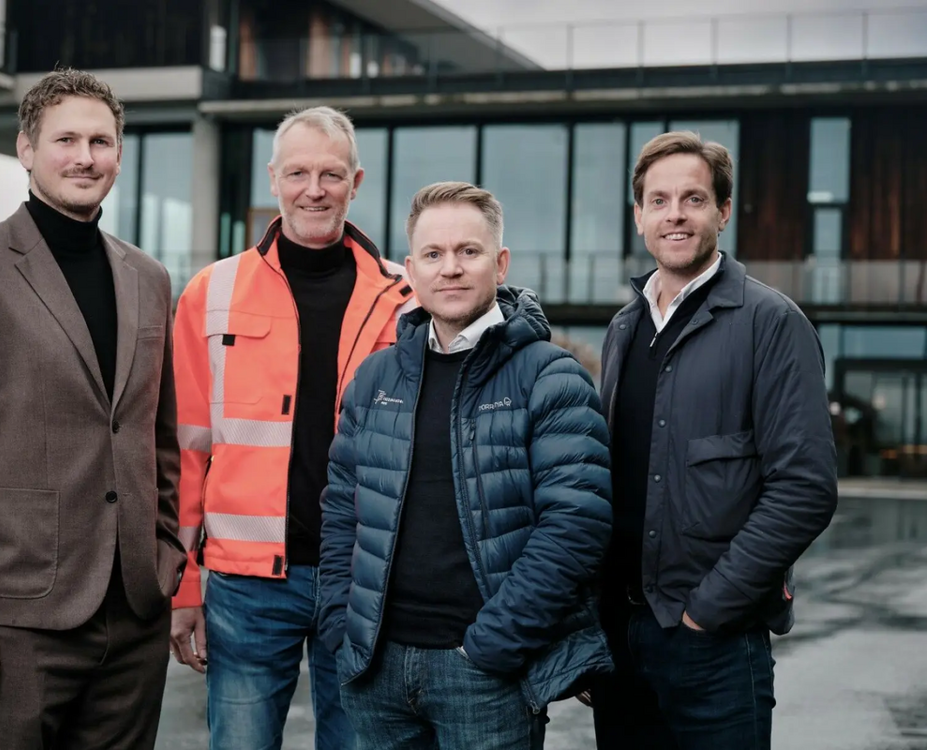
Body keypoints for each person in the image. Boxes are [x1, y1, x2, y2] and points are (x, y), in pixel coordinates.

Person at [0, 68, 184, 749]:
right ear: (26, 150)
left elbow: (158, 434)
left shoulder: (148, 277)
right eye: (65, 140)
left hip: (133, 614)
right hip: (16, 621)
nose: (85, 157)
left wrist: (165, 555)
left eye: (101, 141)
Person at [319, 181, 615, 749]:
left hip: (482, 673)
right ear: (411, 268)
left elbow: (576, 526)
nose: (449, 269)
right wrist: (339, 624)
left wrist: (495, 645)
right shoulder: (376, 379)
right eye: (433, 254)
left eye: (468, 252)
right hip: (375, 671)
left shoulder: (550, 376)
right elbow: (341, 510)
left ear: (500, 264)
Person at [169, 105, 415, 749]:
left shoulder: (405, 298)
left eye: (331, 175)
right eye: (298, 173)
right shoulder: (210, 292)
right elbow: (182, 453)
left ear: (355, 183)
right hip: (246, 586)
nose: (314, 190)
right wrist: (183, 582)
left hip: (365, 580)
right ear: (273, 178)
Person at [591, 131, 838, 749]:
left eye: (694, 198)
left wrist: (705, 611)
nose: (675, 213)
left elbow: (804, 489)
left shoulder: (771, 324)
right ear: (640, 217)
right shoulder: (624, 328)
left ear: (722, 212)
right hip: (620, 638)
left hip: (714, 645)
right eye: (659, 200)